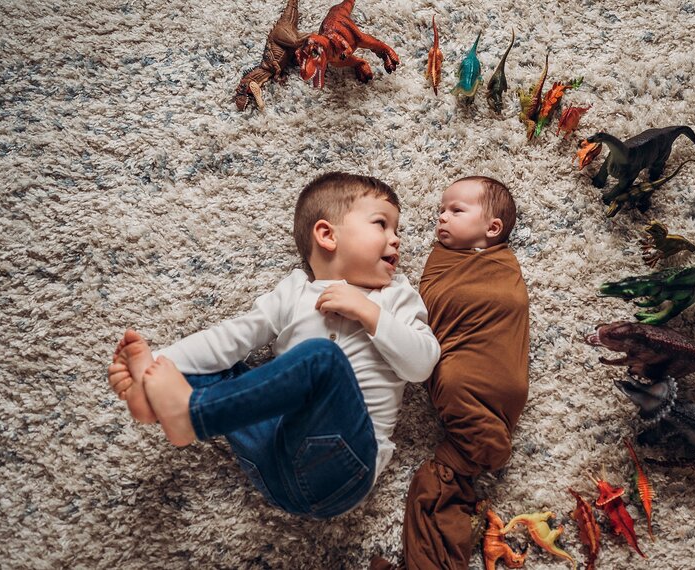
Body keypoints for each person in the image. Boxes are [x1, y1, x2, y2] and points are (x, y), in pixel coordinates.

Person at [107, 172, 440, 520]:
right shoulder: (294, 292)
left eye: (397, 230)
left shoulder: (396, 297)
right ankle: (157, 396)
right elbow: (230, 338)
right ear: (327, 235)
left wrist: (370, 315)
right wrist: (157, 363)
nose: (396, 239)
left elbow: (422, 365)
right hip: (271, 458)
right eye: (382, 225)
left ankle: (192, 415)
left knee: (323, 360)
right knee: (221, 364)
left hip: (343, 469)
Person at [373, 175, 530, 569]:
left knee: (456, 384)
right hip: (467, 368)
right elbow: (431, 308)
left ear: (492, 229)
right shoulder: (446, 259)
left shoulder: (498, 266)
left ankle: (479, 446)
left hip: (488, 369)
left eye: (456, 210)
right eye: (441, 210)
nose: (442, 217)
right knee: (452, 382)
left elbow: (505, 303)